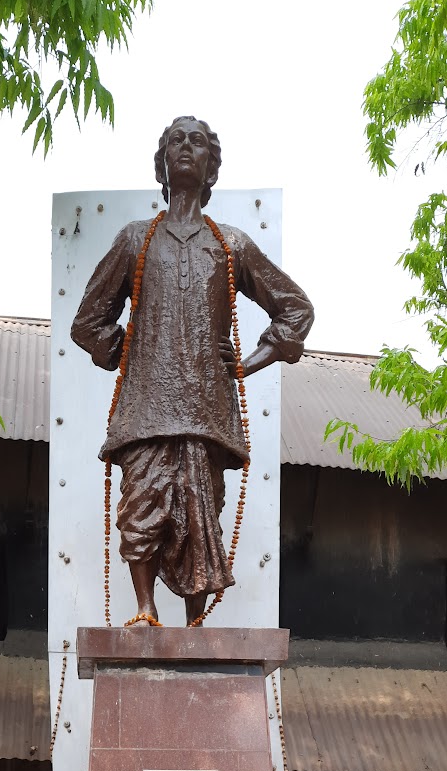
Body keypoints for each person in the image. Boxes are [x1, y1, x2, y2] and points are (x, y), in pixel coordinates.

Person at [71, 116, 314, 625]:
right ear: (162, 164)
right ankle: (144, 610)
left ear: (211, 168)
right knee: (141, 509)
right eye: (175, 141)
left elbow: (295, 309)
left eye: (197, 141)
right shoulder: (135, 240)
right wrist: (126, 354)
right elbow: (88, 320)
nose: (185, 147)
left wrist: (247, 365)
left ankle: (194, 625)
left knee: (200, 518)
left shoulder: (231, 245)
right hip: (146, 410)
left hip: (207, 411)